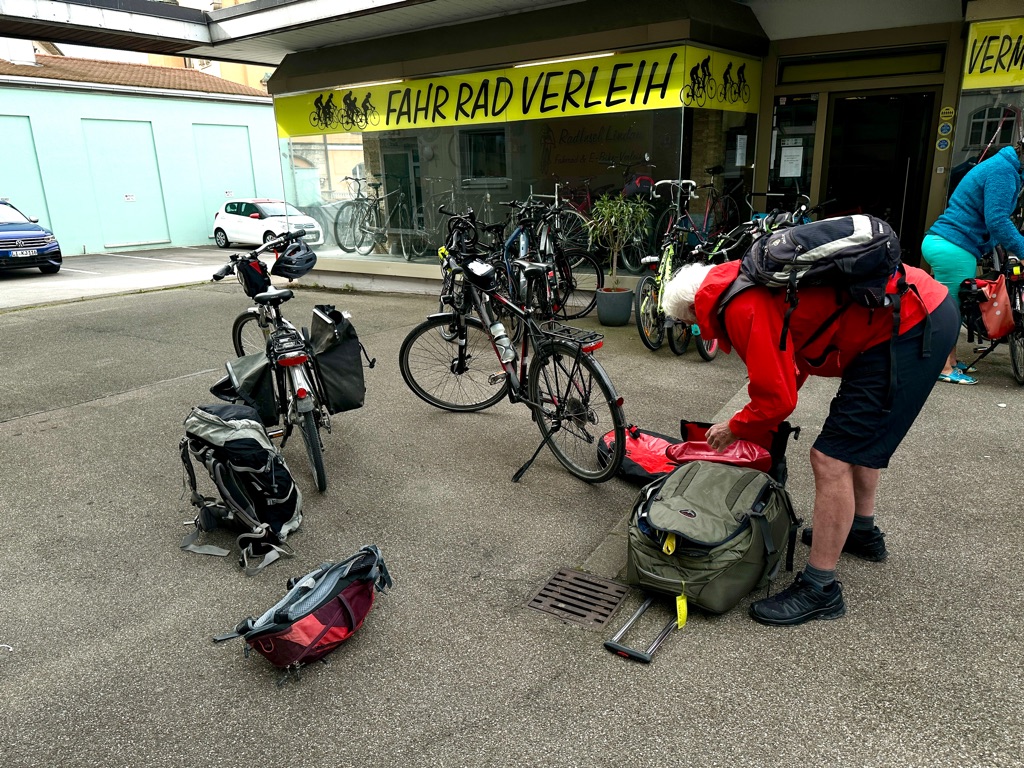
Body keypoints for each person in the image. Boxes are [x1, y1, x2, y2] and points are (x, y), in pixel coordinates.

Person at [662, 256, 957, 626]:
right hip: (909, 310)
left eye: (688, 322)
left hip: (908, 325)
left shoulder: (739, 306)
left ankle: (820, 588)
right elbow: (793, 358)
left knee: (831, 458)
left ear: (694, 309)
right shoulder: (742, 281)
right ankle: (860, 532)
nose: (693, 328)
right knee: (856, 438)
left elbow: (778, 399)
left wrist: (735, 427)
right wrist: (759, 412)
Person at [922, 137, 1024, 384]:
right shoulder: (1003, 171)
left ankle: (950, 359)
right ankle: (943, 367)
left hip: (948, 243)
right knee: (950, 312)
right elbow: (997, 219)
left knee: (955, 308)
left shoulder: (1003, 166)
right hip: (954, 246)